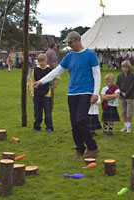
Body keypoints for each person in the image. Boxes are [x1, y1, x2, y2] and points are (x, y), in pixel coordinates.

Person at [33, 31, 100, 159]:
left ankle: (92, 147)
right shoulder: (69, 56)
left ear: (78, 40)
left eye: (70, 42)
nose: (69, 45)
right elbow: (57, 71)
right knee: (74, 122)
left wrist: (95, 93)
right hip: (72, 93)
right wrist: (42, 81)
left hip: (86, 91)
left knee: (80, 120)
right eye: (68, 43)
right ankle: (79, 149)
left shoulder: (90, 54)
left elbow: (97, 74)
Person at [31, 54, 54, 133]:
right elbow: (32, 80)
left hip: (47, 94)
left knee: (47, 112)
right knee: (37, 112)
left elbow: (56, 78)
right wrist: (32, 92)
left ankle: (49, 127)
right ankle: (37, 125)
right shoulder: (35, 70)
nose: (41, 63)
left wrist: (52, 85)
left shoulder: (49, 70)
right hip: (37, 94)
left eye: (43, 61)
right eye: (39, 61)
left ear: (46, 61)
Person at [116, 60, 134, 133]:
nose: (125, 69)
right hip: (122, 96)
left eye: (127, 68)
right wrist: (121, 92)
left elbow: (132, 85)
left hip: (130, 96)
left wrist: (127, 93)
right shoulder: (119, 76)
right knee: (123, 111)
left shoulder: (132, 75)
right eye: (124, 67)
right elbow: (117, 85)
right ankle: (125, 125)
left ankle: (129, 126)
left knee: (129, 112)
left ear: (129, 68)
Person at [46, 43, 58, 111]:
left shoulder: (47, 52)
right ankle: (51, 93)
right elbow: (53, 62)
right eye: (55, 46)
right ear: (53, 46)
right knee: (52, 82)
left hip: (46, 68)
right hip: (51, 69)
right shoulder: (53, 53)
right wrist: (54, 70)